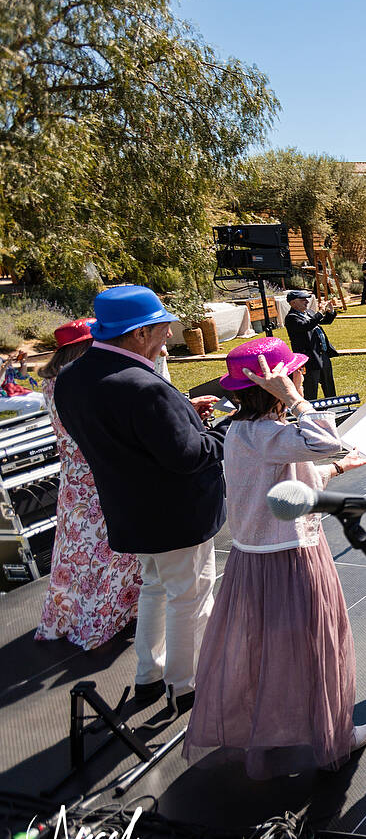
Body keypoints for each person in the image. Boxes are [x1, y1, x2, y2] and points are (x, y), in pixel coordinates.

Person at [185, 338, 366, 777]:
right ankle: (335, 736)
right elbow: (325, 441)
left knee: (266, 648)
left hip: (252, 560)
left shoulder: (242, 432)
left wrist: (341, 468)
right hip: (291, 556)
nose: (303, 375)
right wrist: (295, 399)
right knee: (319, 645)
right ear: (275, 385)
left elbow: (292, 476)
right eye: (296, 372)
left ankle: (267, 727)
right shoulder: (270, 434)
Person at [55, 286, 225, 707]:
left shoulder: (71, 378)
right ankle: (185, 685)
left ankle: (149, 674)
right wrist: (230, 429)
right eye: (163, 327)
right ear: (138, 333)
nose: (168, 334)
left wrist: (181, 416)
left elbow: (122, 435)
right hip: (177, 516)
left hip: (129, 512)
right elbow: (189, 457)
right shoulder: (143, 386)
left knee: (155, 589)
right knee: (190, 598)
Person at [35, 318, 142, 650]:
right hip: (99, 474)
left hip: (73, 478)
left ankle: (74, 612)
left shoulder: (52, 384)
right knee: (107, 550)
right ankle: (107, 614)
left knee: (75, 550)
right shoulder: (86, 384)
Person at [284, 290, 340, 400]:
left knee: (329, 384)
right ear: (293, 303)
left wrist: (330, 311)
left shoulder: (308, 312)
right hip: (309, 358)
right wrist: (320, 312)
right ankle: (310, 408)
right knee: (311, 387)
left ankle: (334, 405)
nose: (306, 301)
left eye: (306, 299)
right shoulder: (291, 318)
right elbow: (307, 325)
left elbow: (325, 321)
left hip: (322, 354)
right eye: (302, 300)